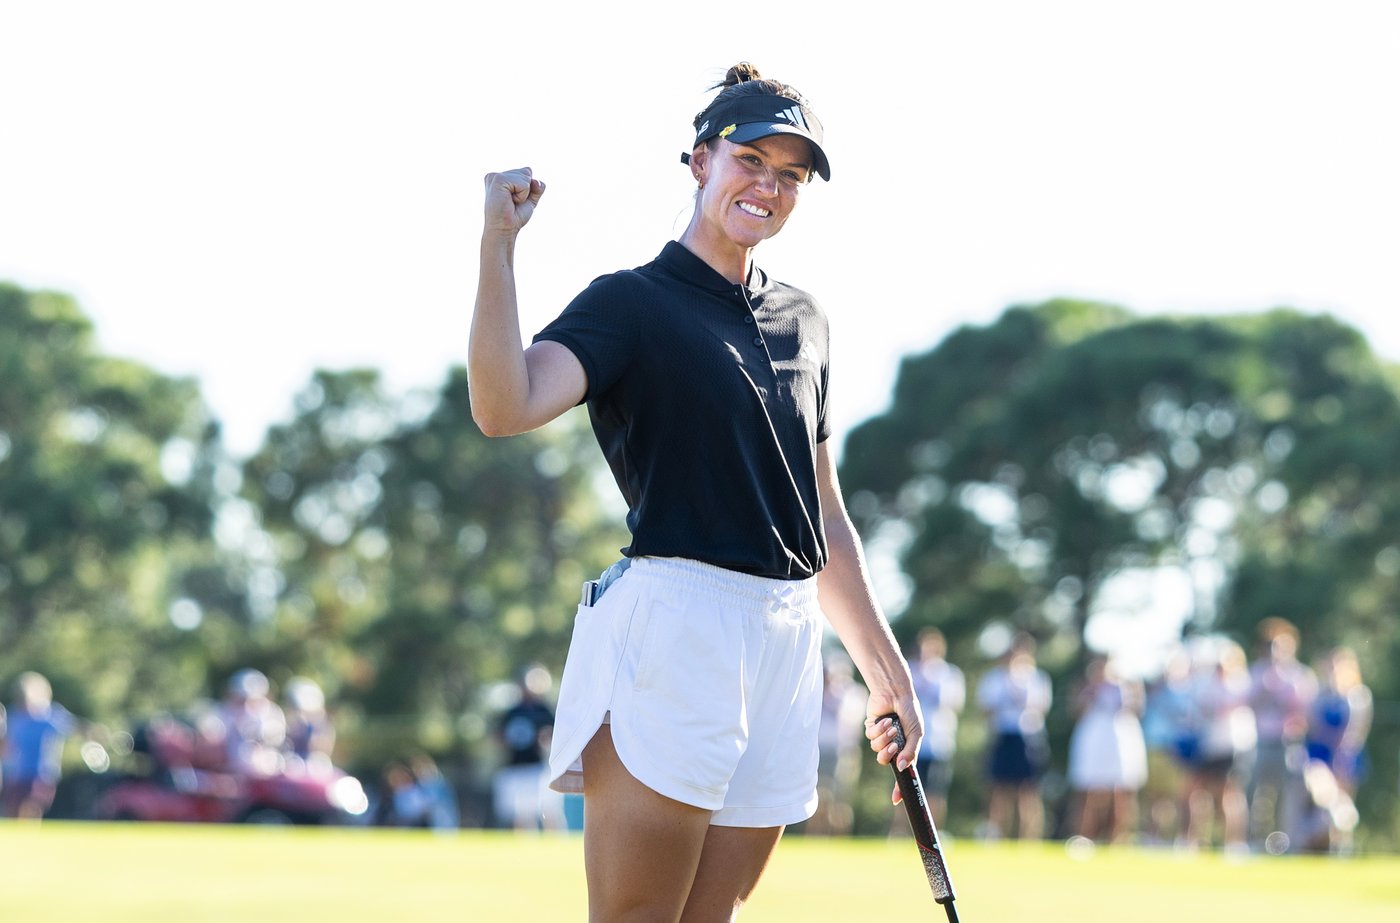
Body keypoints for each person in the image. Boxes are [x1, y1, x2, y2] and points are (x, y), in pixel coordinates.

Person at [469, 62, 920, 920]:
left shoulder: (807, 319)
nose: (769, 186)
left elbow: (819, 507)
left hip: (786, 635)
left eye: (791, 175)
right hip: (676, 621)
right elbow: (504, 405)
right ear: (701, 161)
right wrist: (498, 246)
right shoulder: (629, 304)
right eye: (752, 160)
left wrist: (881, 664)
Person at [1245, 617, 1316, 847]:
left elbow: (1306, 709)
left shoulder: (1300, 675)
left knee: (1288, 795)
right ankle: (1254, 841)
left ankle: (1286, 843)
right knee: (1256, 792)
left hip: (1289, 742)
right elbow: (1247, 700)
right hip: (1262, 740)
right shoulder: (1258, 672)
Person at [976, 632, 1052, 840]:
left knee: (1028, 792)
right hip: (1003, 735)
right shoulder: (994, 678)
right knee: (999, 790)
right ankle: (996, 835)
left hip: (1028, 737)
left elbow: (1041, 707)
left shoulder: (1036, 678)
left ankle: (1029, 838)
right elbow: (985, 709)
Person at [1066, 654, 1148, 844]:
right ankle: (1084, 837)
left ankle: (1118, 838)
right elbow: (1075, 712)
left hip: (1118, 742)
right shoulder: (1087, 687)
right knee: (1087, 790)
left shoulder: (1127, 686)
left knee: (1119, 792)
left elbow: (1137, 710)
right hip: (1093, 742)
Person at [1184, 639, 1255, 853]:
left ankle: (1234, 843)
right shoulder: (1206, 684)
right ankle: (1195, 841)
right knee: (1198, 793)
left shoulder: (1241, 683)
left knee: (1229, 795)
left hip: (1233, 746)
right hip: (1210, 746)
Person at [492, 663, 564, 831]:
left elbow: (556, 736)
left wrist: (546, 739)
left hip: (538, 767)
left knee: (548, 810)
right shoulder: (513, 712)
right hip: (516, 766)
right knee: (522, 813)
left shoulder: (544, 711)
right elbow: (498, 736)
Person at [906, 628, 965, 830]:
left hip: (938, 742)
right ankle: (901, 832)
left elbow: (955, 704)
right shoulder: (908, 669)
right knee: (907, 791)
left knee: (935, 793)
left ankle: (934, 832)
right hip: (910, 741)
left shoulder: (949, 674)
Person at [0, 672, 75, 819]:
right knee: (12, 810)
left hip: (42, 774)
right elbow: (7, 744)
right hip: (17, 774)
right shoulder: (14, 717)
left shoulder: (49, 717)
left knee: (30, 809)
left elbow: (74, 727)